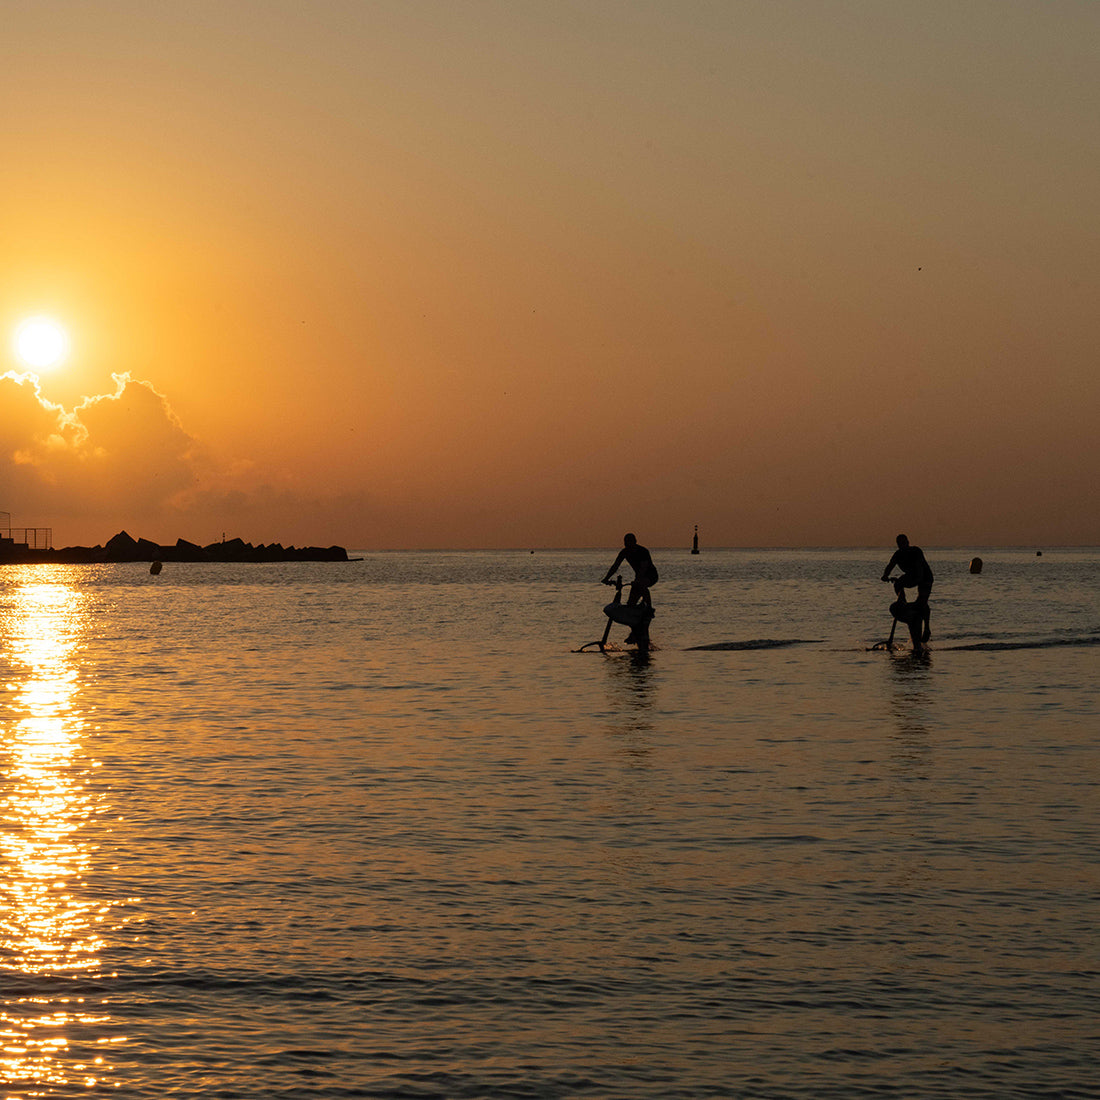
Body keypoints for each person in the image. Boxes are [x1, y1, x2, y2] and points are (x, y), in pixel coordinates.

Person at [881, 533, 933, 644]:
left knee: (922, 602)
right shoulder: (898, 554)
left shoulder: (916, 551)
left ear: (908, 543)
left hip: (925, 577)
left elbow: (919, 570)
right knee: (898, 584)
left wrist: (916, 581)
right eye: (899, 544)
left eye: (904, 543)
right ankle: (902, 603)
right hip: (912, 575)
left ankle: (927, 628)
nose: (902, 546)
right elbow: (890, 565)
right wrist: (885, 575)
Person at [602, 533, 659, 608]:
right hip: (638, 577)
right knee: (631, 603)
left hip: (651, 576)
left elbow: (643, 568)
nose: (627, 544)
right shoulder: (624, 552)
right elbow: (615, 566)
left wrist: (637, 580)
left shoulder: (642, 551)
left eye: (629, 542)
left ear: (635, 541)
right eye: (626, 542)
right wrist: (606, 578)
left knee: (641, 584)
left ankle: (649, 608)